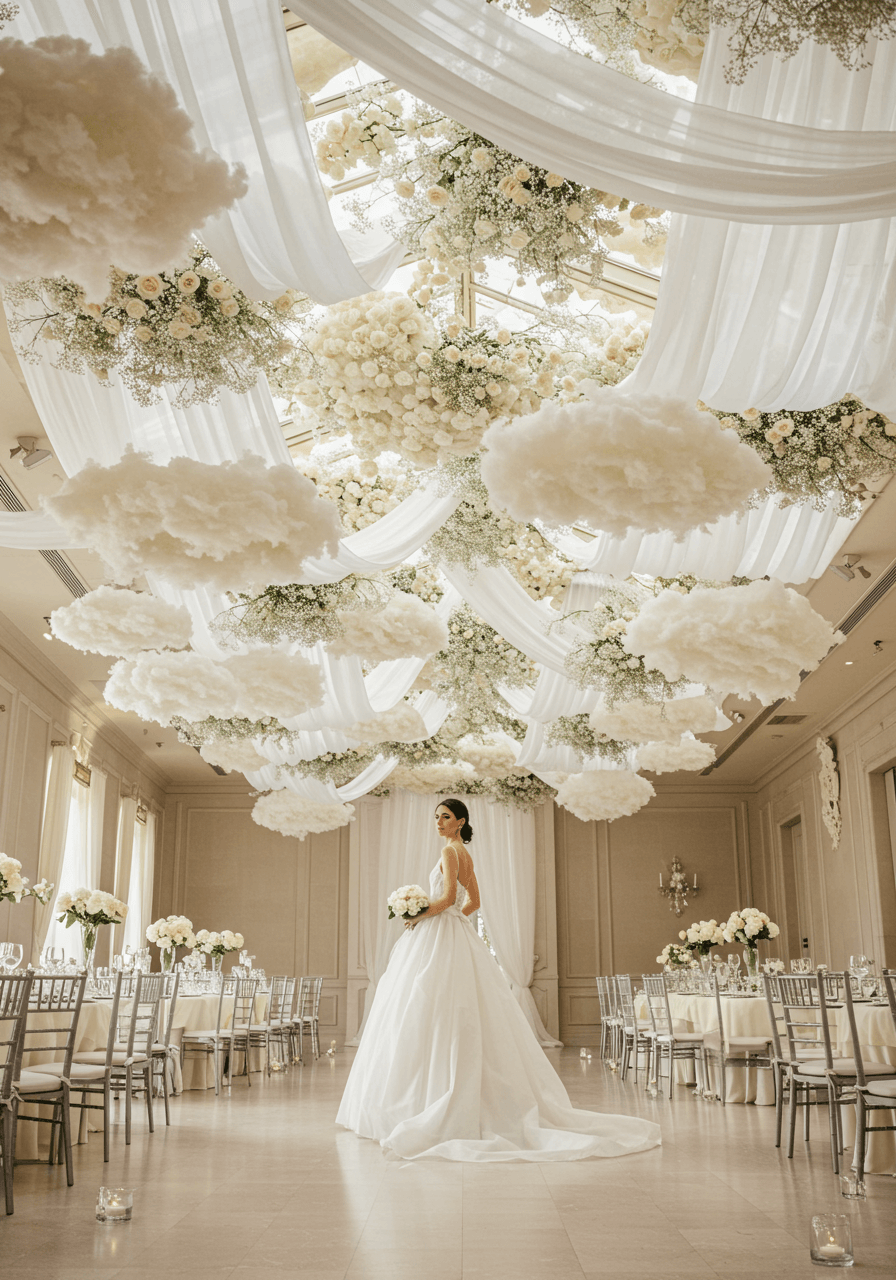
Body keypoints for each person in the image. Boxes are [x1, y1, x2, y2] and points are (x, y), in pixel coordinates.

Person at [336, 798, 661, 1162]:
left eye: (445, 817)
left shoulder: (449, 851)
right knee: (449, 1008)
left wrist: (419, 915)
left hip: (439, 933)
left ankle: (418, 1100)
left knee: (427, 1007)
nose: (438, 822)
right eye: (436, 817)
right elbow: (473, 901)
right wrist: (452, 918)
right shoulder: (465, 854)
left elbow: (447, 898)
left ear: (460, 822)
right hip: (454, 933)